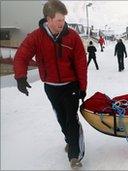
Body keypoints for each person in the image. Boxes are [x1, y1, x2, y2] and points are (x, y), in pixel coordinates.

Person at [13, 0, 87, 168]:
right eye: (59, 20)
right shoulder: (36, 37)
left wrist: (82, 87)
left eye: (63, 19)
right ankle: (69, 140)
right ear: (48, 19)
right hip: (51, 87)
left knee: (72, 119)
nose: (63, 23)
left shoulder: (72, 36)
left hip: (71, 85)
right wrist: (20, 77)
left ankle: (74, 155)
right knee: (61, 118)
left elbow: (81, 63)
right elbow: (22, 55)